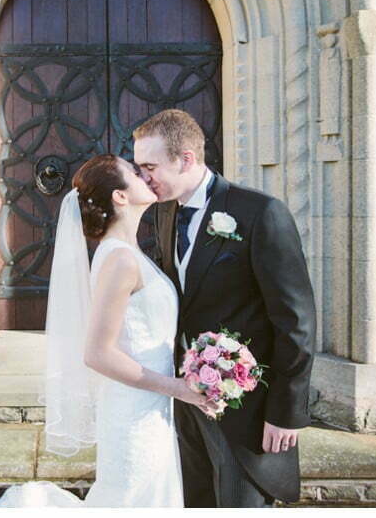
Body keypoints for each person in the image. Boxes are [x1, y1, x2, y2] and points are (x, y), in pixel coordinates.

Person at [0, 154, 215, 508]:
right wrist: (177, 388)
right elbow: (97, 353)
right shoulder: (119, 259)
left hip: (151, 406)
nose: (147, 177)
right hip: (133, 412)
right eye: (136, 173)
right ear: (120, 196)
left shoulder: (128, 253)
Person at [133, 108, 316, 508]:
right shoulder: (165, 212)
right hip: (186, 402)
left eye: (150, 167)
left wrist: (286, 412)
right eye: (139, 168)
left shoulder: (260, 213)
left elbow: (296, 321)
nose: (143, 179)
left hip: (246, 410)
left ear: (186, 159)